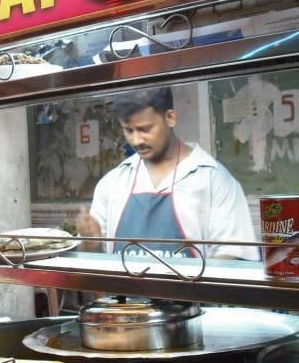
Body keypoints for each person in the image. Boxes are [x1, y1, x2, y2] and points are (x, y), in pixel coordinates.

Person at [76, 86, 259, 260]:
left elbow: (232, 255)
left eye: (145, 129)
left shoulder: (212, 179)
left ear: (170, 118)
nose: (136, 140)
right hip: (122, 294)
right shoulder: (114, 182)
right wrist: (91, 244)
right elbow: (93, 259)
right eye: (128, 130)